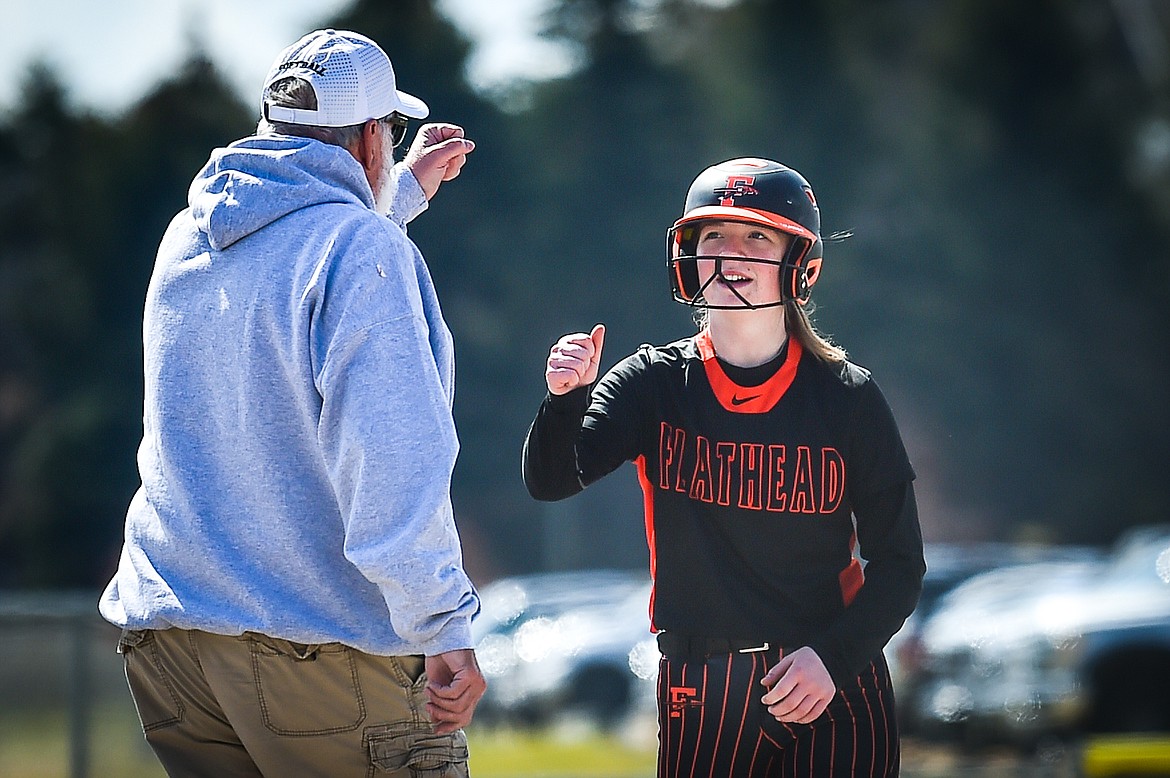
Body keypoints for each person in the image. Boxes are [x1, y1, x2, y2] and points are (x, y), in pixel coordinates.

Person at [98, 28, 485, 778]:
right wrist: (443, 624)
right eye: (391, 130)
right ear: (373, 136)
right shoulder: (363, 251)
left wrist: (399, 191)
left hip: (172, 648)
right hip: (318, 653)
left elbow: (292, 255)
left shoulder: (191, 235)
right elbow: (391, 460)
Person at [522, 158, 926, 776]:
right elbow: (551, 481)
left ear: (802, 265)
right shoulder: (652, 383)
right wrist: (565, 398)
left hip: (830, 679)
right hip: (703, 685)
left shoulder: (846, 396)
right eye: (713, 235)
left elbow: (900, 563)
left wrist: (835, 658)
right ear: (688, 254)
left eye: (756, 236)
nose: (730, 253)